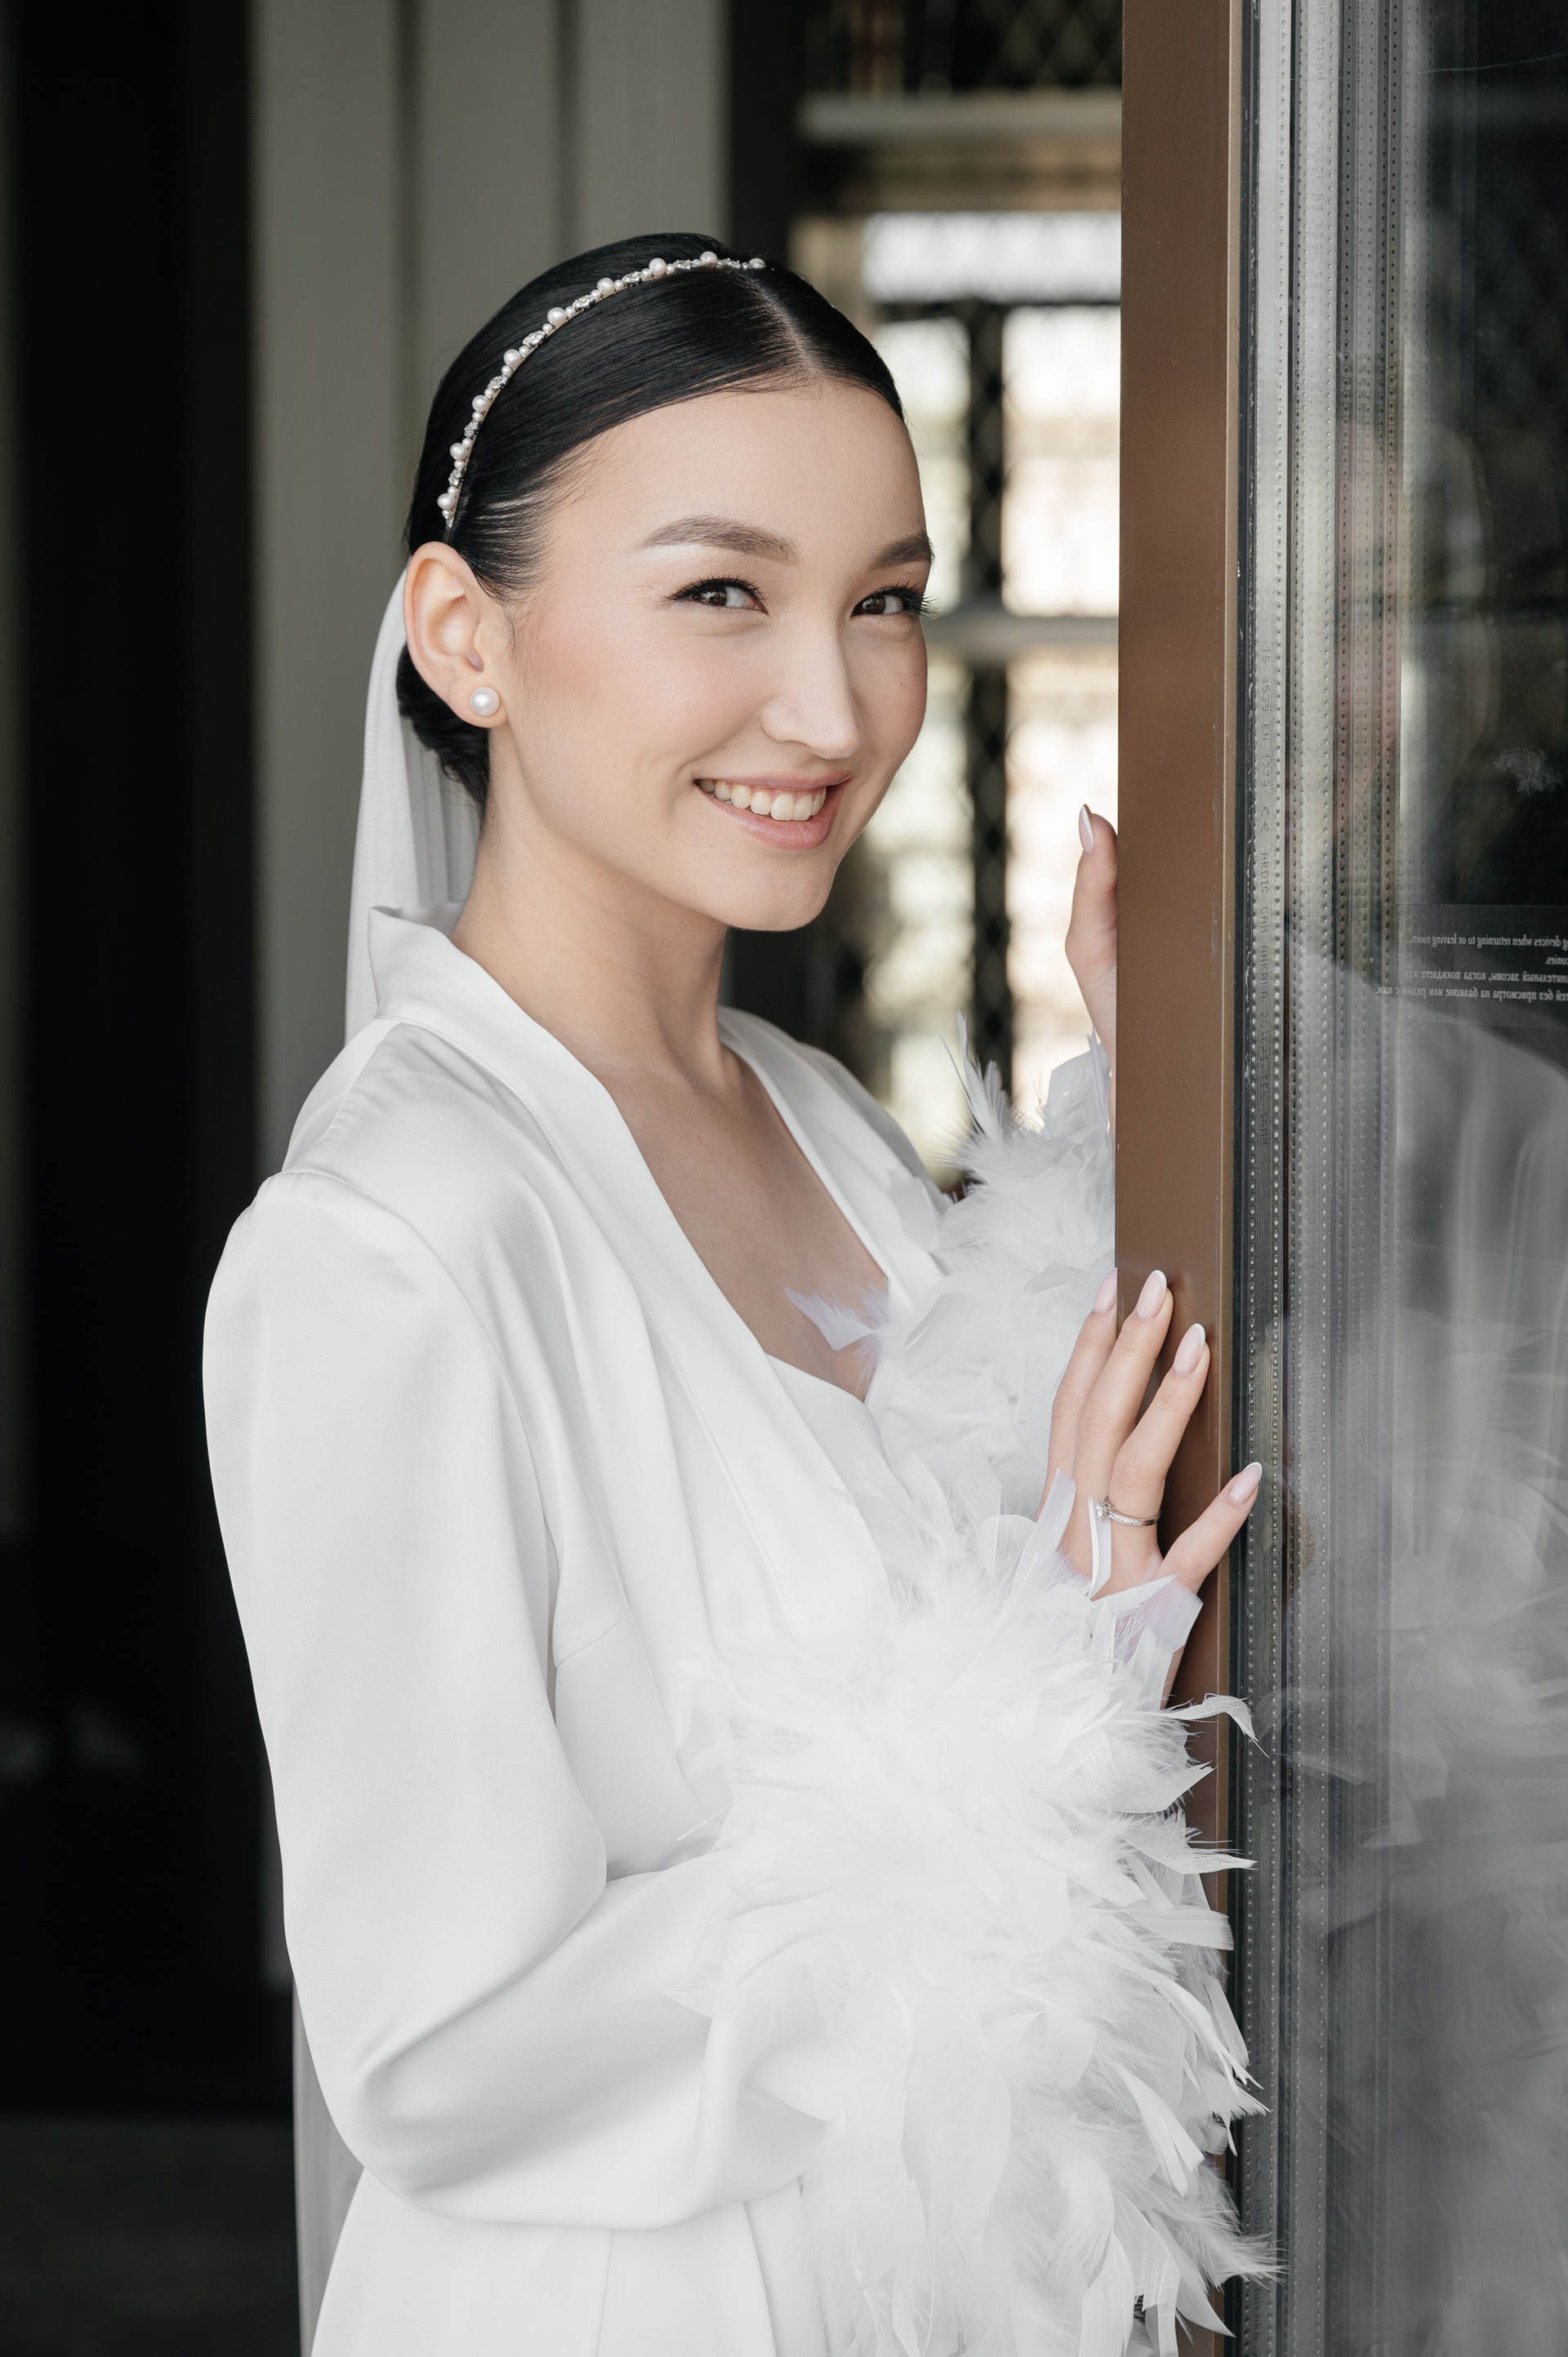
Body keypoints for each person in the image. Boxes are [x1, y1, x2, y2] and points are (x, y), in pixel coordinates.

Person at [204, 233, 1265, 2357]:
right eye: (721, 593)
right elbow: (442, 2053)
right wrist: (1036, 1744)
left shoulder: (818, 1117)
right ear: (467, 637)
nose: (834, 707)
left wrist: (1147, 1111)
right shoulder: (385, 1245)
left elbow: (1009, 1528)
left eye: (884, 599)